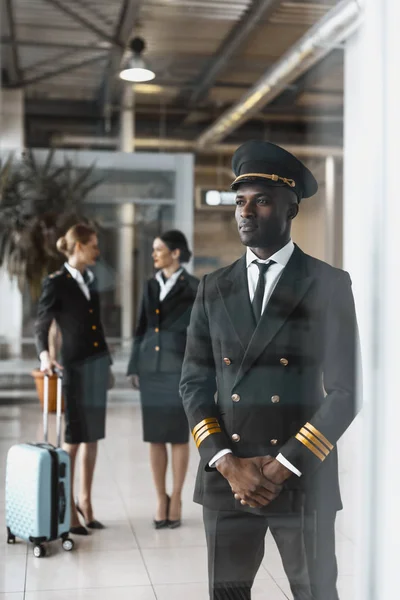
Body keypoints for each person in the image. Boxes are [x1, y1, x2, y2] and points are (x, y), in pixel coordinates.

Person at [180, 141, 359, 600]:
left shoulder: (327, 284)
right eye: (240, 201)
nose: (246, 211)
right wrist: (226, 462)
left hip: (301, 475)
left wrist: (281, 466)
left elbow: (344, 392)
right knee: (229, 595)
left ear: (291, 207)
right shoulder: (212, 288)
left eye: (260, 200)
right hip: (228, 479)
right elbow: (194, 383)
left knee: (315, 592)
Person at [35, 223, 112, 536]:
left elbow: (96, 326)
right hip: (75, 368)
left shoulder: (90, 279)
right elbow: (43, 323)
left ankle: (86, 501)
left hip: (96, 365)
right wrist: (44, 355)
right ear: (78, 247)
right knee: (75, 436)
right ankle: (67, 508)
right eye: (93, 245)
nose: (97, 250)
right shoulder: (56, 282)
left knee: (93, 436)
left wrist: (106, 363)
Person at [127, 230, 199, 529]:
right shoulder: (149, 285)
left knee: (178, 437)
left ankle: (177, 497)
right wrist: (134, 365)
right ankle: (161, 498)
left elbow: (199, 333)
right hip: (151, 369)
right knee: (155, 436)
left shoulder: (194, 286)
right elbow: (141, 326)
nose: (154, 254)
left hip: (179, 371)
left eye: (159, 249)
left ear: (176, 253)